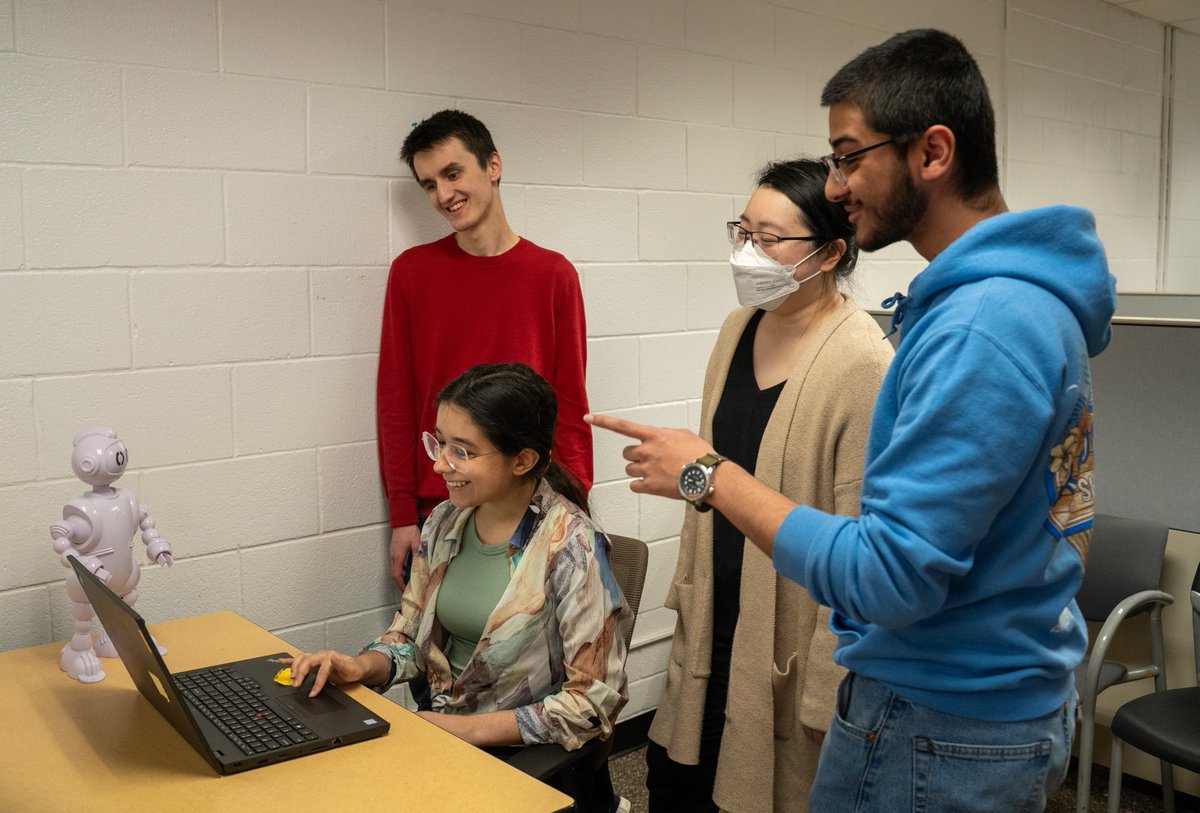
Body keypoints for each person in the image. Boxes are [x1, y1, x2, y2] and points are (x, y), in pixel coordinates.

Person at [589, 28, 1117, 813]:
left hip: (941, 719)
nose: (835, 186)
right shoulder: (999, 306)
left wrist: (707, 475)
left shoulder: (983, 325)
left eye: (847, 156)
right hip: (968, 704)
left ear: (932, 153)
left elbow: (889, 575)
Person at [644, 159, 892, 813]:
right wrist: (686, 481)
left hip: (788, 636)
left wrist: (828, 690)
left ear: (831, 251)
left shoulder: (863, 362)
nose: (747, 253)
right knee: (677, 784)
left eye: (770, 238)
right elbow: (723, 474)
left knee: (758, 792)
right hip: (717, 616)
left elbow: (863, 544)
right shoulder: (738, 329)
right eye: (741, 231)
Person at [291, 363, 631, 811]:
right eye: (440, 442)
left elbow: (590, 705)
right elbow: (410, 638)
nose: (438, 464)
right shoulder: (444, 522)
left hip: (515, 754)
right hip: (440, 732)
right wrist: (360, 667)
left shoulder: (572, 547)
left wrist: (462, 731)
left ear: (523, 460)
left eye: (462, 452)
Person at [377, 109, 593, 591]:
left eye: (453, 174)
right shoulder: (412, 273)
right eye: (430, 185)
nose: (444, 195)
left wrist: (575, 507)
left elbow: (570, 404)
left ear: (493, 165)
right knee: (428, 655)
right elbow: (397, 402)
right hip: (440, 507)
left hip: (533, 508)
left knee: (530, 660)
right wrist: (402, 515)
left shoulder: (553, 275)